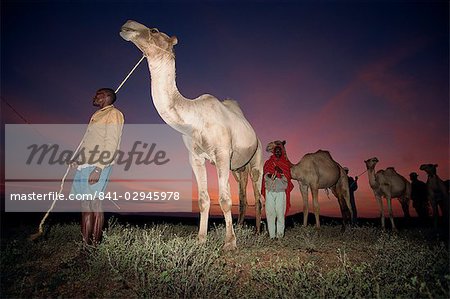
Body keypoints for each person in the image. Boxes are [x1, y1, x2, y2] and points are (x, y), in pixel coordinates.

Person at [69, 88, 124, 245]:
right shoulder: (97, 115)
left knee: (95, 203)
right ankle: (85, 245)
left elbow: (111, 143)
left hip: (98, 163)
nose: (94, 97)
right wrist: (78, 160)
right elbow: (91, 142)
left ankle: (93, 246)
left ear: (106, 97)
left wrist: (99, 168)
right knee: (85, 204)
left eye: (98, 94)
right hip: (85, 164)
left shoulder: (113, 114)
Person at [261, 145, 293, 239]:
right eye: (276, 151)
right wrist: (269, 175)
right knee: (270, 214)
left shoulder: (285, 164)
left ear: (282, 152)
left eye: (279, 151)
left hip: (280, 192)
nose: (278, 152)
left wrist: (281, 172)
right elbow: (265, 175)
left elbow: (287, 179)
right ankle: (272, 236)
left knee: (280, 214)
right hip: (269, 191)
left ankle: (279, 236)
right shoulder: (268, 162)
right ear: (273, 152)